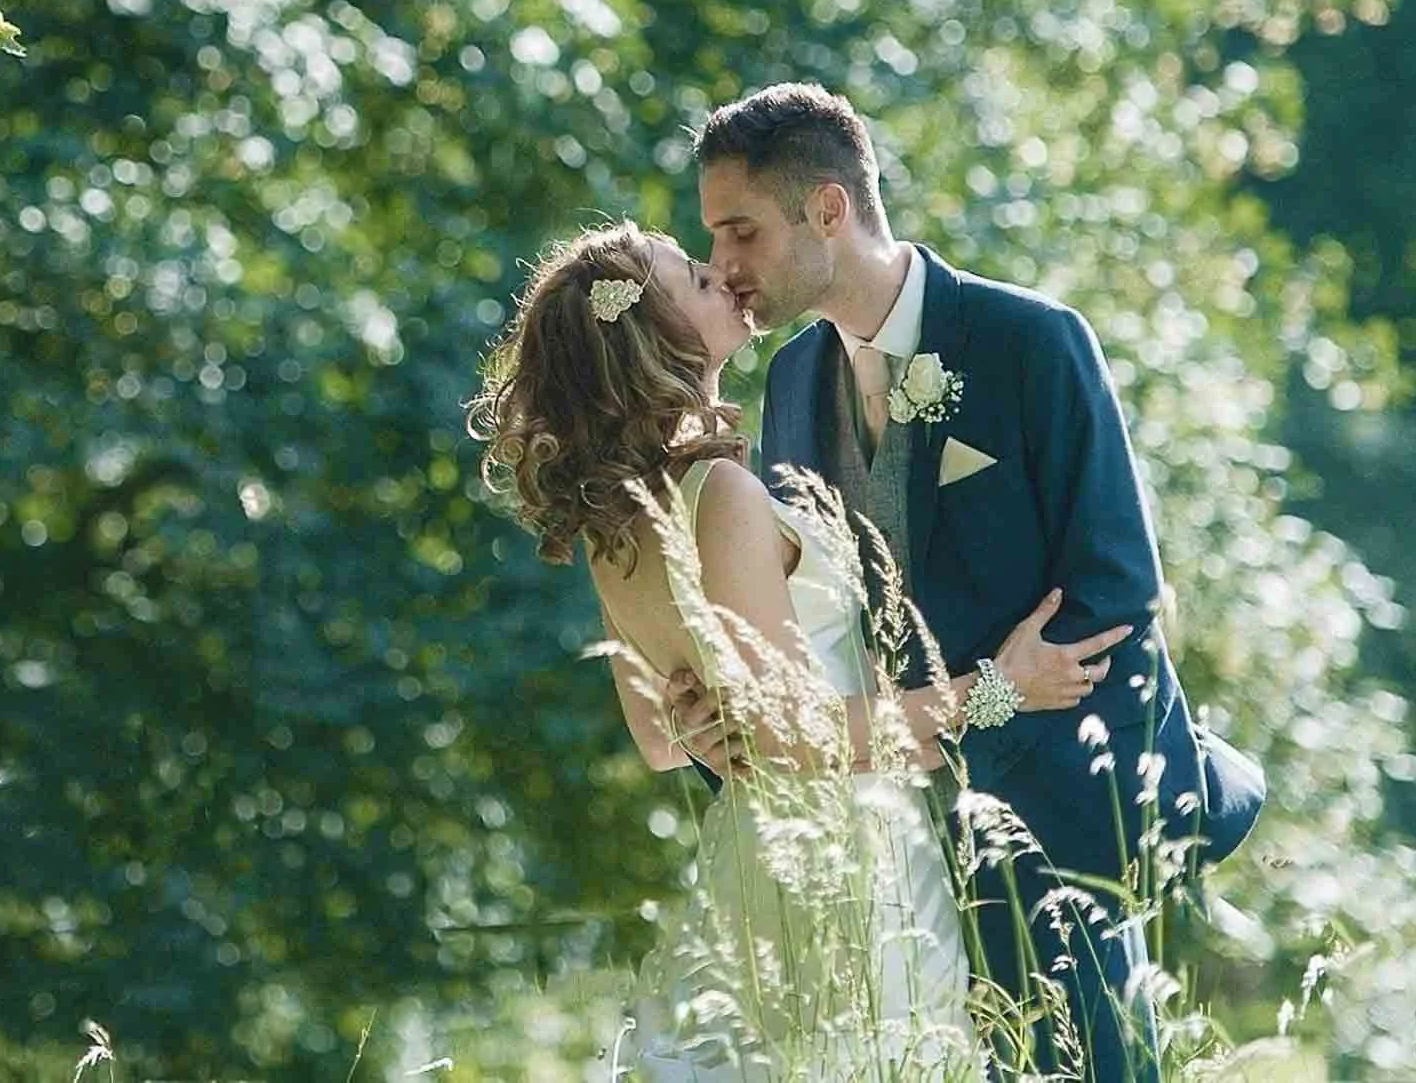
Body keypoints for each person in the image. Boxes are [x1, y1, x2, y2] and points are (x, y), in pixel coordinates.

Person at [689, 82, 1267, 1080]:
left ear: (826, 208)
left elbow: (1112, 599)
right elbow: (808, 625)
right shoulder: (789, 381)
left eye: (739, 231)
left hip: (1049, 833)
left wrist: (1013, 794)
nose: (721, 265)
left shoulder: (1031, 340)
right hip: (889, 853)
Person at [469, 221, 1128, 1080]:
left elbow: (662, 741)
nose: (725, 279)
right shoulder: (724, 495)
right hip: (847, 858)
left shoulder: (615, 529)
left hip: (757, 856)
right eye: (697, 282)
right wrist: (999, 687)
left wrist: (716, 718)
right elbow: (802, 737)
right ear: (656, 338)